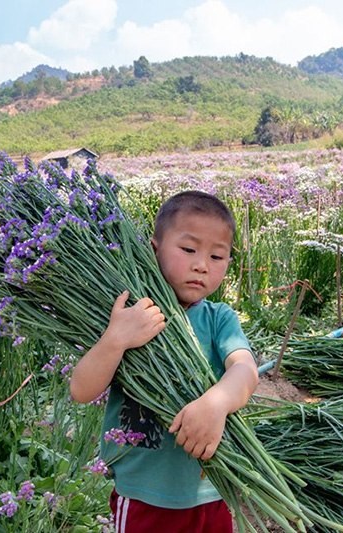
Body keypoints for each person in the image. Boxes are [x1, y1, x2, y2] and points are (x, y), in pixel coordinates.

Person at [70, 190, 258, 533]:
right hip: (145, 498)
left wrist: (216, 403)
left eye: (218, 257)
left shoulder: (219, 319)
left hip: (213, 489)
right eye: (188, 250)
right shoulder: (132, 314)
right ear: (154, 249)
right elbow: (81, 390)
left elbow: (245, 370)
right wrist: (116, 339)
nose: (202, 264)